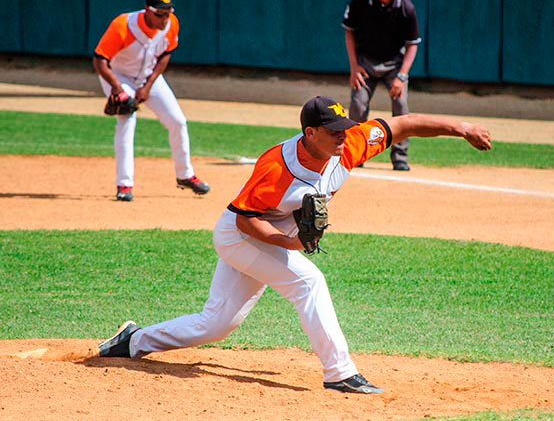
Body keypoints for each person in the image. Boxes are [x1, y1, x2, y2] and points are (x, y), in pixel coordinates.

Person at [97, 96, 492, 394]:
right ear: (310, 134)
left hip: (267, 235)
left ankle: (134, 341)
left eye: (344, 127)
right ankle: (340, 373)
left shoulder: (348, 145)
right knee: (309, 282)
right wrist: (290, 242)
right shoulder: (278, 167)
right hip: (241, 236)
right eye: (334, 129)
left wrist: (462, 128)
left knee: (216, 324)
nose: (344, 134)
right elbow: (244, 219)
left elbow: (404, 123)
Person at [93, 0, 210, 202]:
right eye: (160, 14)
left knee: (178, 122)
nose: (165, 18)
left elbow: (165, 55)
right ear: (147, 10)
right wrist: (118, 90)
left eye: (168, 13)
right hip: (119, 77)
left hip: (149, 76)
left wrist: (147, 86)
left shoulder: (171, 23)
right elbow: (100, 60)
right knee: (127, 120)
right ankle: (124, 184)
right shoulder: (123, 25)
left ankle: (185, 175)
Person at [342, 0, 421, 171]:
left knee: (401, 105)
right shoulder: (360, 0)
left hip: (394, 63)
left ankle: (400, 157)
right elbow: (349, 31)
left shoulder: (406, 7)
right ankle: (355, 154)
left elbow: (412, 44)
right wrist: (354, 67)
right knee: (358, 105)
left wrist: (402, 76)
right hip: (365, 62)